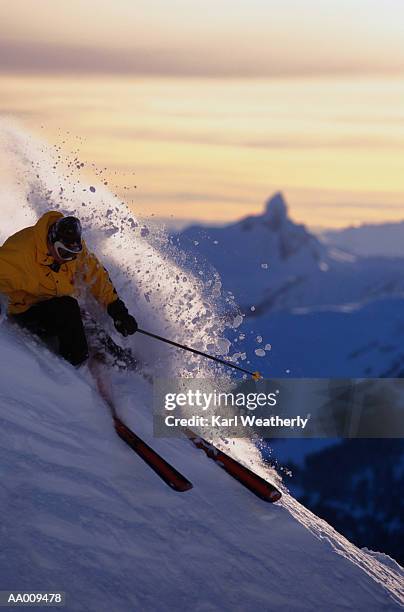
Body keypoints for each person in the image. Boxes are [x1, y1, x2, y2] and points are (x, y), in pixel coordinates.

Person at [0, 210, 137, 366]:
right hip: (25, 310)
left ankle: (118, 358)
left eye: (73, 254)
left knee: (78, 315)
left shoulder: (73, 248)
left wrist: (117, 310)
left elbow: (96, 275)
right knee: (68, 309)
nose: (69, 259)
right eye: (64, 253)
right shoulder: (20, 254)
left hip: (53, 301)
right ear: (52, 241)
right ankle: (76, 364)